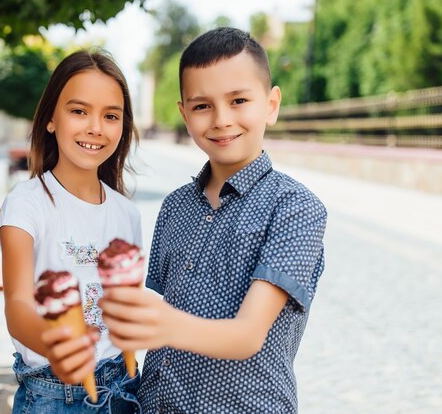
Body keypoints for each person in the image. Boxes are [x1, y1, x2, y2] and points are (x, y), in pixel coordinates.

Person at [100, 27, 328, 413]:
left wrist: (160, 321)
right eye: (203, 106)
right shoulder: (175, 207)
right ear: (184, 114)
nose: (222, 120)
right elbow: (159, 312)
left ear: (271, 105)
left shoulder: (296, 208)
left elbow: (247, 336)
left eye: (239, 100)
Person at [0, 49, 142, 414]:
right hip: (55, 393)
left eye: (110, 116)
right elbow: (18, 303)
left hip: (124, 385)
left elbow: (128, 307)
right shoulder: (27, 203)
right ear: (50, 120)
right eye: (79, 111)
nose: (95, 127)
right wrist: (58, 344)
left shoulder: (127, 213)